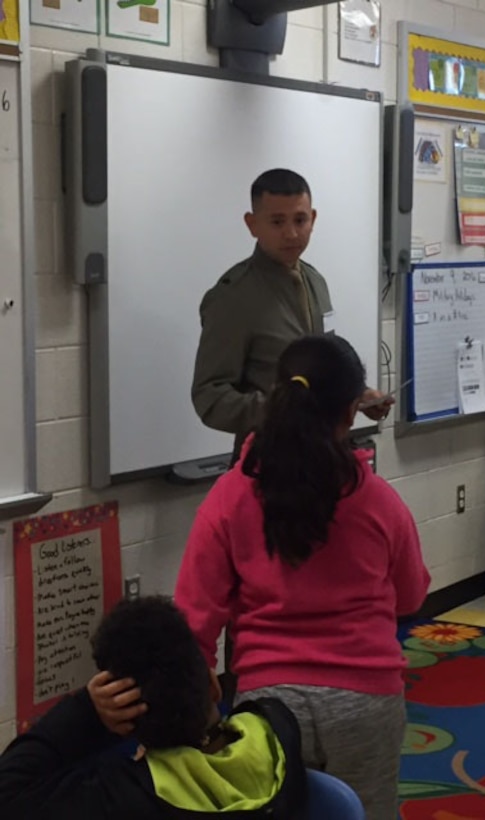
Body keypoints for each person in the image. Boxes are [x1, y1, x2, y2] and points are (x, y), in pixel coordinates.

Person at [175, 333, 430, 820]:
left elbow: (195, 619)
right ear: (351, 410)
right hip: (366, 699)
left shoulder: (230, 495)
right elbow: (411, 596)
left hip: (268, 701)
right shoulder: (378, 500)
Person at [0, 596, 307, 820]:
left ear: (127, 725)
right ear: (214, 688)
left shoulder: (123, 796)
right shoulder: (277, 729)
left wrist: (88, 710)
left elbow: (8, 791)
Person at [191, 168, 390, 457]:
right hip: (266, 462)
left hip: (324, 457)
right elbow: (210, 397)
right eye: (277, 221)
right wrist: (282, 409)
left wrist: (355, 395)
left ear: (314, 219)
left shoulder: (315, 282)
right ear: (252, 224)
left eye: (300, 219)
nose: (291, 233)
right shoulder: (233, 296)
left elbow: (324, 367)